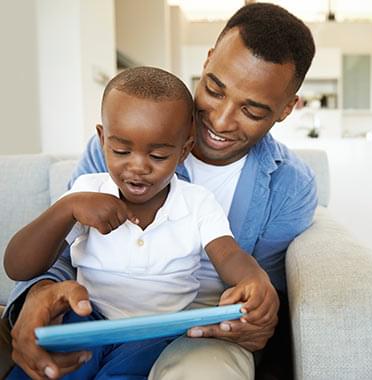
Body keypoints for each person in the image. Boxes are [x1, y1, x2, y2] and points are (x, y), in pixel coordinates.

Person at [2, 3, 317, 380]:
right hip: (95, 307)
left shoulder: (288, 186)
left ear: (286, 109)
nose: (219, 120)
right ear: (208, 59)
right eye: (214, 90)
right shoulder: (119, 144)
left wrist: (260, 306)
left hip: (199, 320)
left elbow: (256, 284)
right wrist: (35, 297)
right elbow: (56, 255)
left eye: (252, 111)